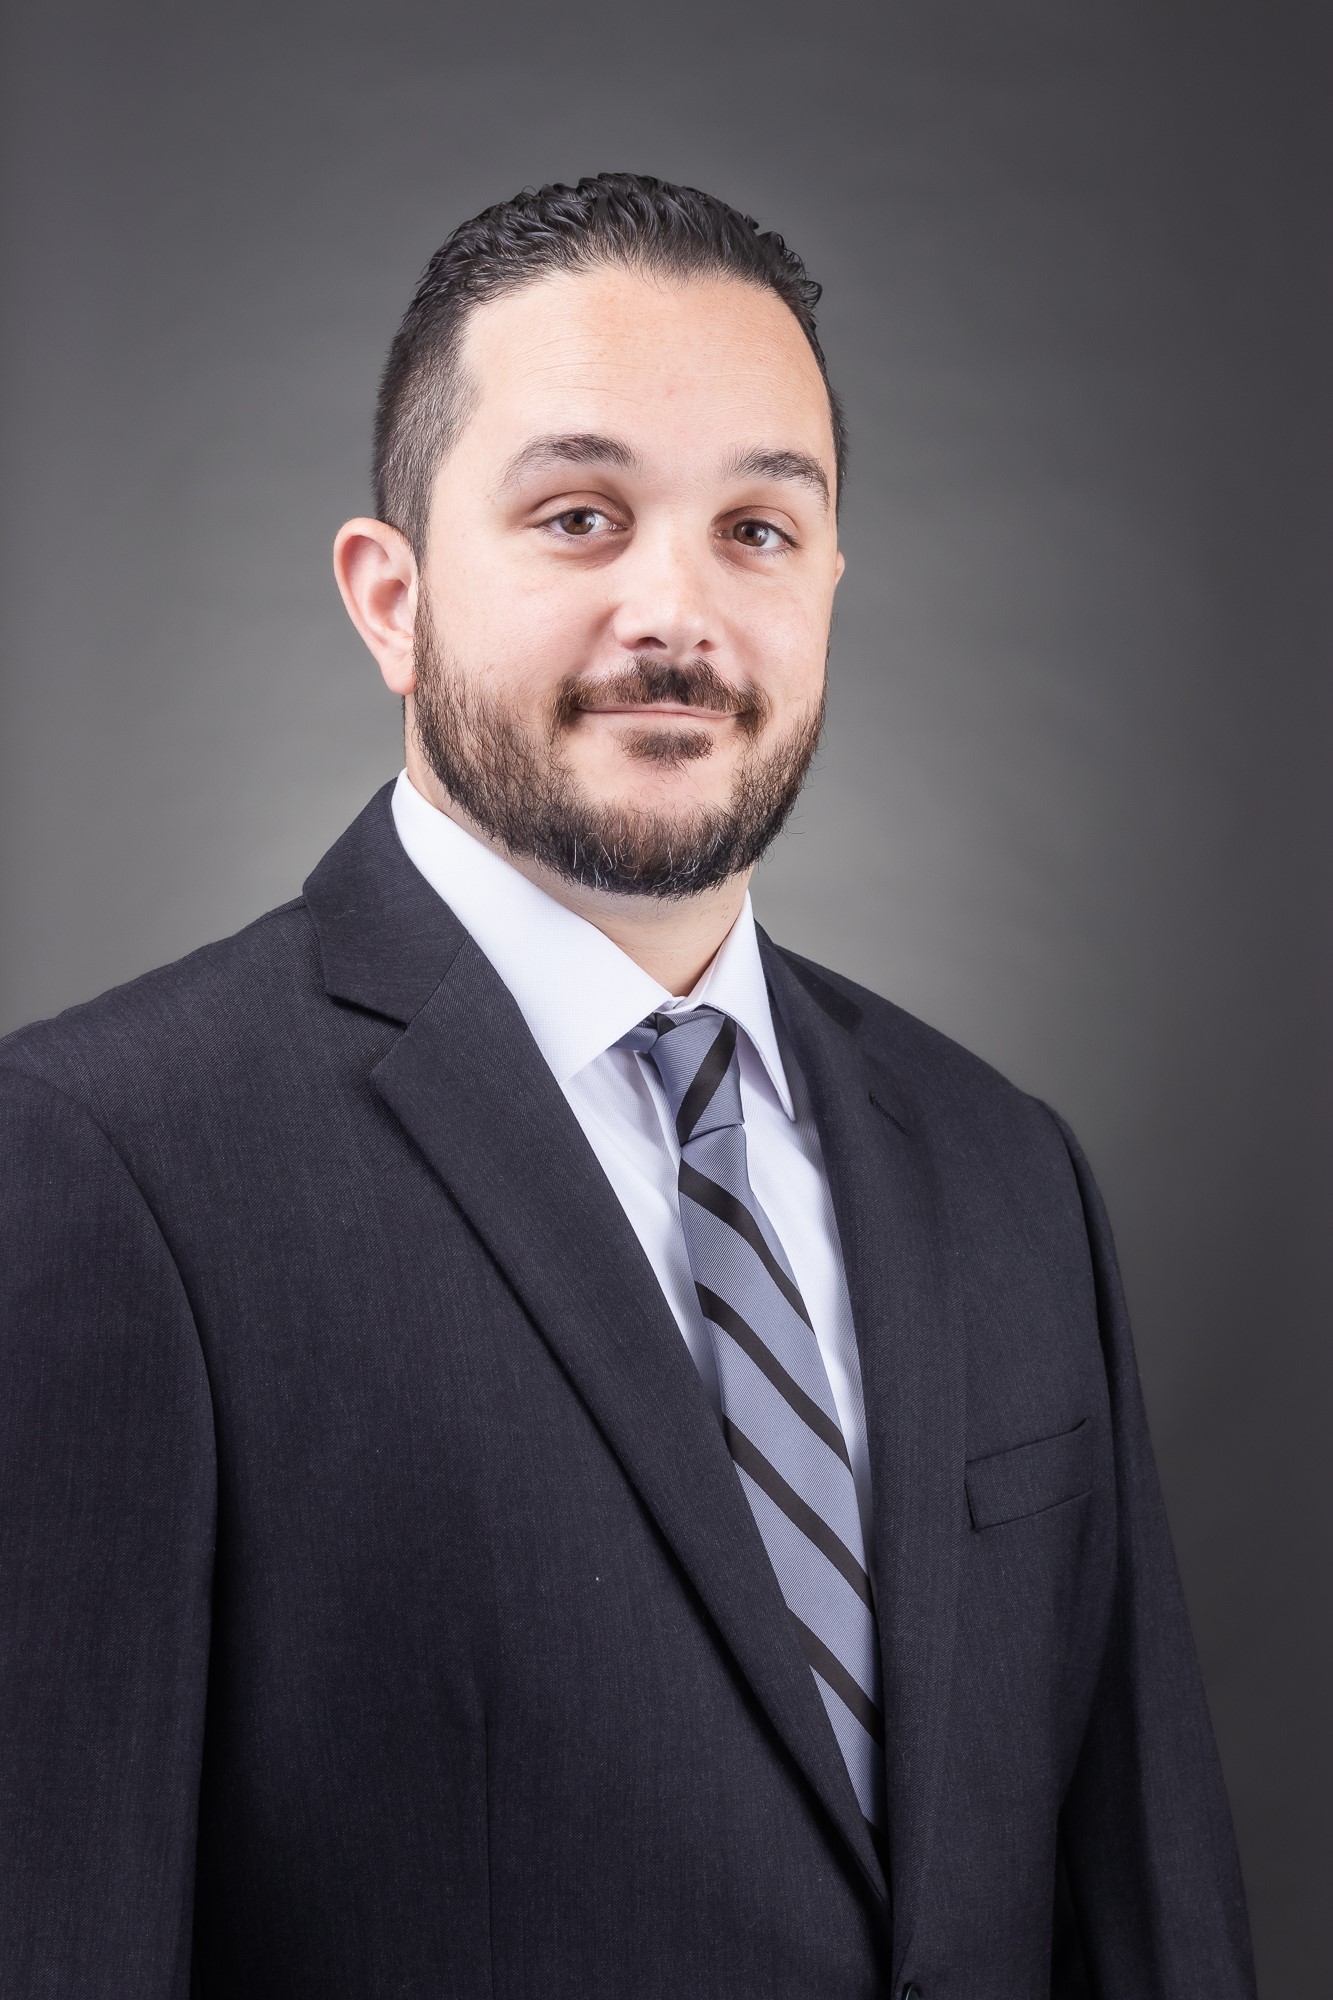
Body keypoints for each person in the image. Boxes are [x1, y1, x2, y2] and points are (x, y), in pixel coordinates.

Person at [0, 173, 1255, 1999]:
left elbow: (1148, 1915)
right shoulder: (102, 1165)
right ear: (389, 597)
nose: (677, 609)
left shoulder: (1006, 1171)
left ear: (826, 584)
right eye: (581, 516)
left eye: (758, 528)